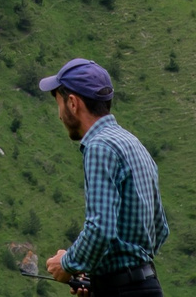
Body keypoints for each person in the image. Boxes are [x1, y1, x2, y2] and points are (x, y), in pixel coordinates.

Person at [38, 58, 168, 296]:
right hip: (147, 287)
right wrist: (101, 277)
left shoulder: (99, 147)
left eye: (59, 104)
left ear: (73, 103)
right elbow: (160, 229)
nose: (59, 115)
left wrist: (67, 263)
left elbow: (100, 230)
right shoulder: (132, 143)